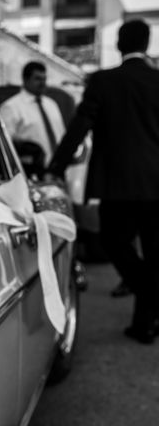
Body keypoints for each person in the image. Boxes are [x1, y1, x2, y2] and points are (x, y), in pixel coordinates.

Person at [47, 19, 159, 344]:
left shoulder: (103, 81)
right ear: (147, 44)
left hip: (118, 184)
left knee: (113, 242)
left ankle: (146, 318)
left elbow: (80, 126)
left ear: (120, 45)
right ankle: (147, 316)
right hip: (156, 184)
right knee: (154, 254)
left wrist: (56, 166)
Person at [0, 61, 66, 172]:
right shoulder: (11, 107)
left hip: (56, 170)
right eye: (37, 79)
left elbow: (61, 135)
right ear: (25, 80)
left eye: (44, 79)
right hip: (31, 170)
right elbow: (6, 144)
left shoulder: (51, 105)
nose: (42, 83)